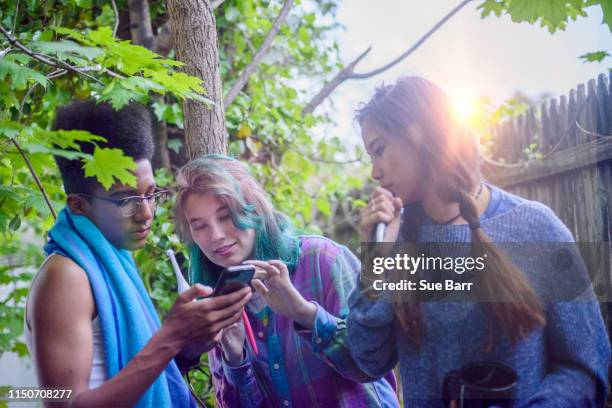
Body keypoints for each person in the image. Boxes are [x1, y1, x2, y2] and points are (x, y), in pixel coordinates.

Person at [346, 76, 611, 407]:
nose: (375, 172)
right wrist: (375, 260)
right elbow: (367, 361)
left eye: (379, 150)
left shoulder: (536, 228)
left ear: (419, 134)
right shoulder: (397, 245)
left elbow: (587, 365)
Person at [25, 100, 252, 407]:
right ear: (79, 204)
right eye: (125, 200)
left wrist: (184, 347)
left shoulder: (113, 260)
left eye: (150, 194)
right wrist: (169, 337)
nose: (146, 213)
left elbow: (137, 379)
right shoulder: (67, 276)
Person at [174, 155, 399, 407]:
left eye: (225, 216)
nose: (215, 235)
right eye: (199, 226)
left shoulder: (322, 260)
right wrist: (235, 358)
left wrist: (303, 313)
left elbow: (372, 362)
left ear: (254, 206)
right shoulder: (219, 304)